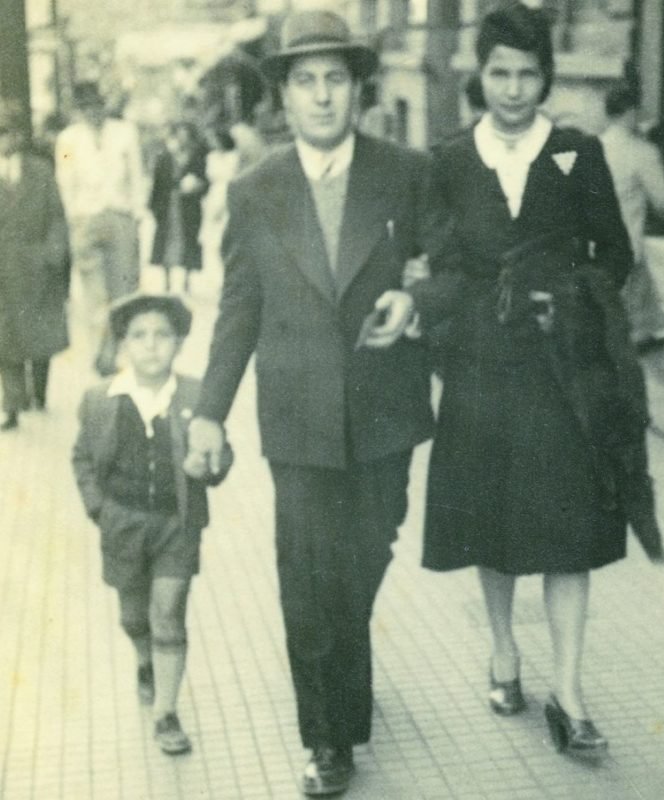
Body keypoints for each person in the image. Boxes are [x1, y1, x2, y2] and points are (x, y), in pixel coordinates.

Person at [375, 2, 664, 761]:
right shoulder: (450, 161)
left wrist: (573, 299)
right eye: (500, 72)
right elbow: (443, 266)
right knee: (493, 524)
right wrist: (422, 306)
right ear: (480, 75)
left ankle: (569, 692)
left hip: (562, 374)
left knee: (569, 533)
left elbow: (615, 254)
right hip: (478, 370)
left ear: (547, 75)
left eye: (528, 73)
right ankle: (504, 652)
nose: (513, 89)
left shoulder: (574, 153)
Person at [184, 10, 451, 796]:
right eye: (307, 82)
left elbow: (447, 264)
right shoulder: (256, 189)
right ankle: (327, 739)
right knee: (306, 576)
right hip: (297, 418)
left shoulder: (404, 170)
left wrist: (415, 299)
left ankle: (342, 671)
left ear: (358, 88)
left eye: (336, 79)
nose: (324, 97)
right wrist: (208, 409)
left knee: (363, 557)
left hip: (383, 414)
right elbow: (239, 305)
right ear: (285, 95)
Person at [72, 293, 232, 756]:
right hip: (121, 525)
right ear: (122, 344)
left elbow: (222, 452)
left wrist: (211, 464)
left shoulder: (197, 396)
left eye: (162, 335)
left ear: (179, 342)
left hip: (176, 526)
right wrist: (98, 508)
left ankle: (166, 712)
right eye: (138, 336)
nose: (151, 345)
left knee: (168, 614)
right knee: (133, 616)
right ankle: (144, 661)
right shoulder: (100, 399)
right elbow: (82, 457)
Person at [601, 83, 664, 355]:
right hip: (624, 243)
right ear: (632, 111)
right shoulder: (640, 152)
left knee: (637, 288)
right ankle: (633, 339)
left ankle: (639, 335)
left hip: (592, 240)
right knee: (632, 291)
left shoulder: (594, 145)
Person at [55, 82, 146, 375]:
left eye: (97, 105)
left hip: (119, 216)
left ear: (105, 105)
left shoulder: (124, 133)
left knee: (124, 290)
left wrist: (135, 213)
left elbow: (137, 175)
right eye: (86, 108)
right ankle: (102, 355)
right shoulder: (68, 140)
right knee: (94, 295)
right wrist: (74, 220)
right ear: (79, 111)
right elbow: (65, 181)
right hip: (87, 220)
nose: (93, 112)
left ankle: (118, 352)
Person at [0, 99, 70, 430]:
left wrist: (52, 253)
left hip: (36, 264)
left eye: (7, 132)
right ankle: (12, 404)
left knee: (40, 332)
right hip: (3, 267)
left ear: (18, 136)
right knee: (6, 337)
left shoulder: (40, 171)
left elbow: (56, 215)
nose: (3, 140)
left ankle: (39, 394)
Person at [148, 121, 209, 294]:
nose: (183, 140)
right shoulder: (164, 157)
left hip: (189, 207)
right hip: (168, 206)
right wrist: (154, 207)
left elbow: (205, 182)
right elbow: (157, 185)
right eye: (179, 135)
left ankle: (186, 281)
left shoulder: (196, 157)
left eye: (186, 136)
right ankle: (167, 281)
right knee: (166, 241)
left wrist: (197, 186)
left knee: (189, 240)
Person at [199, 126, 239, 286]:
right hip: (214, 194)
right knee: (212, 240)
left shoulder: (233, 157)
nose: (212, 142)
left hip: (229, 194)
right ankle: (220, 277)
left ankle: (231, 275)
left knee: (227, 237)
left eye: (214, 139)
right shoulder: (211, 157)